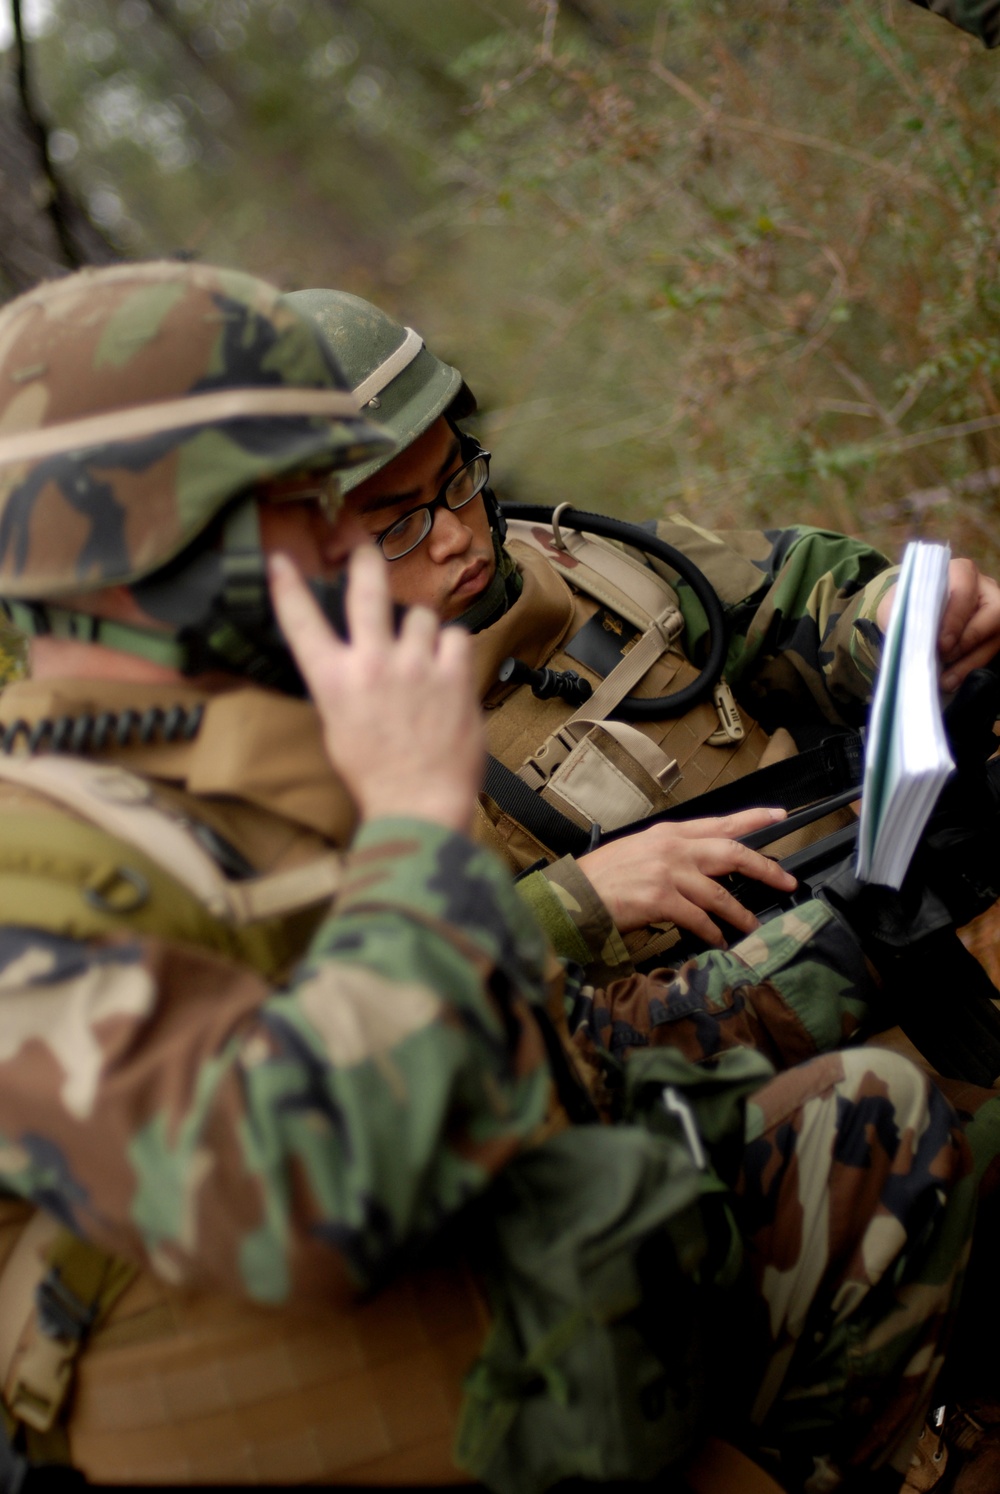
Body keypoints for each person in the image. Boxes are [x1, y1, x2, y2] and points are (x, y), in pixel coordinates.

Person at [0, 260, 993, 1494]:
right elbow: (304, 1180)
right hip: (370, 1397)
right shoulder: (49, 845)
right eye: (302, 518)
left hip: (546, 1334)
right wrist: (430, 830)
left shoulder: (235, 760)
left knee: (867, 1123)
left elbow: (551, 1063)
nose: (435, 542)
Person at [284, 288, 1000, 1070]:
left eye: (457, 480)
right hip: (743, 1094)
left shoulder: (586, 560)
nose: (456, 536)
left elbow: (782, 595)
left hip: (921, 930)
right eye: (398, 525)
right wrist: (571, 905)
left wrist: (894, 620)